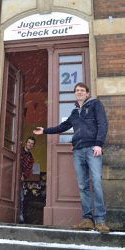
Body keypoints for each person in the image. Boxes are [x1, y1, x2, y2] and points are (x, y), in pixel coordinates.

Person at [33, 82, 109, 233]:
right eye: (77, 90)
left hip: (93, 149)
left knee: (97, 182)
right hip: (78, 150)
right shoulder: (75, 112)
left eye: (82, 90)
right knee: (83, 186)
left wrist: (99, 144)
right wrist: (45, 131)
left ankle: (100, 221)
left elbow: (103, 124)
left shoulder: (95, 105)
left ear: (87, 93)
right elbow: (63, 126)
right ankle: (87, 219)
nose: (79, 92)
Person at [19, 136, 36, 223]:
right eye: (29, 142)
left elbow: (28, 170)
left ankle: (20, 216)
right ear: (26, 143)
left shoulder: (31, 158)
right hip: (13, 175)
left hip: (21, 178)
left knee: (21, 197)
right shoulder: (18, 150)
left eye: (32, 144)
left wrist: (24, 176)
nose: (30, 144)